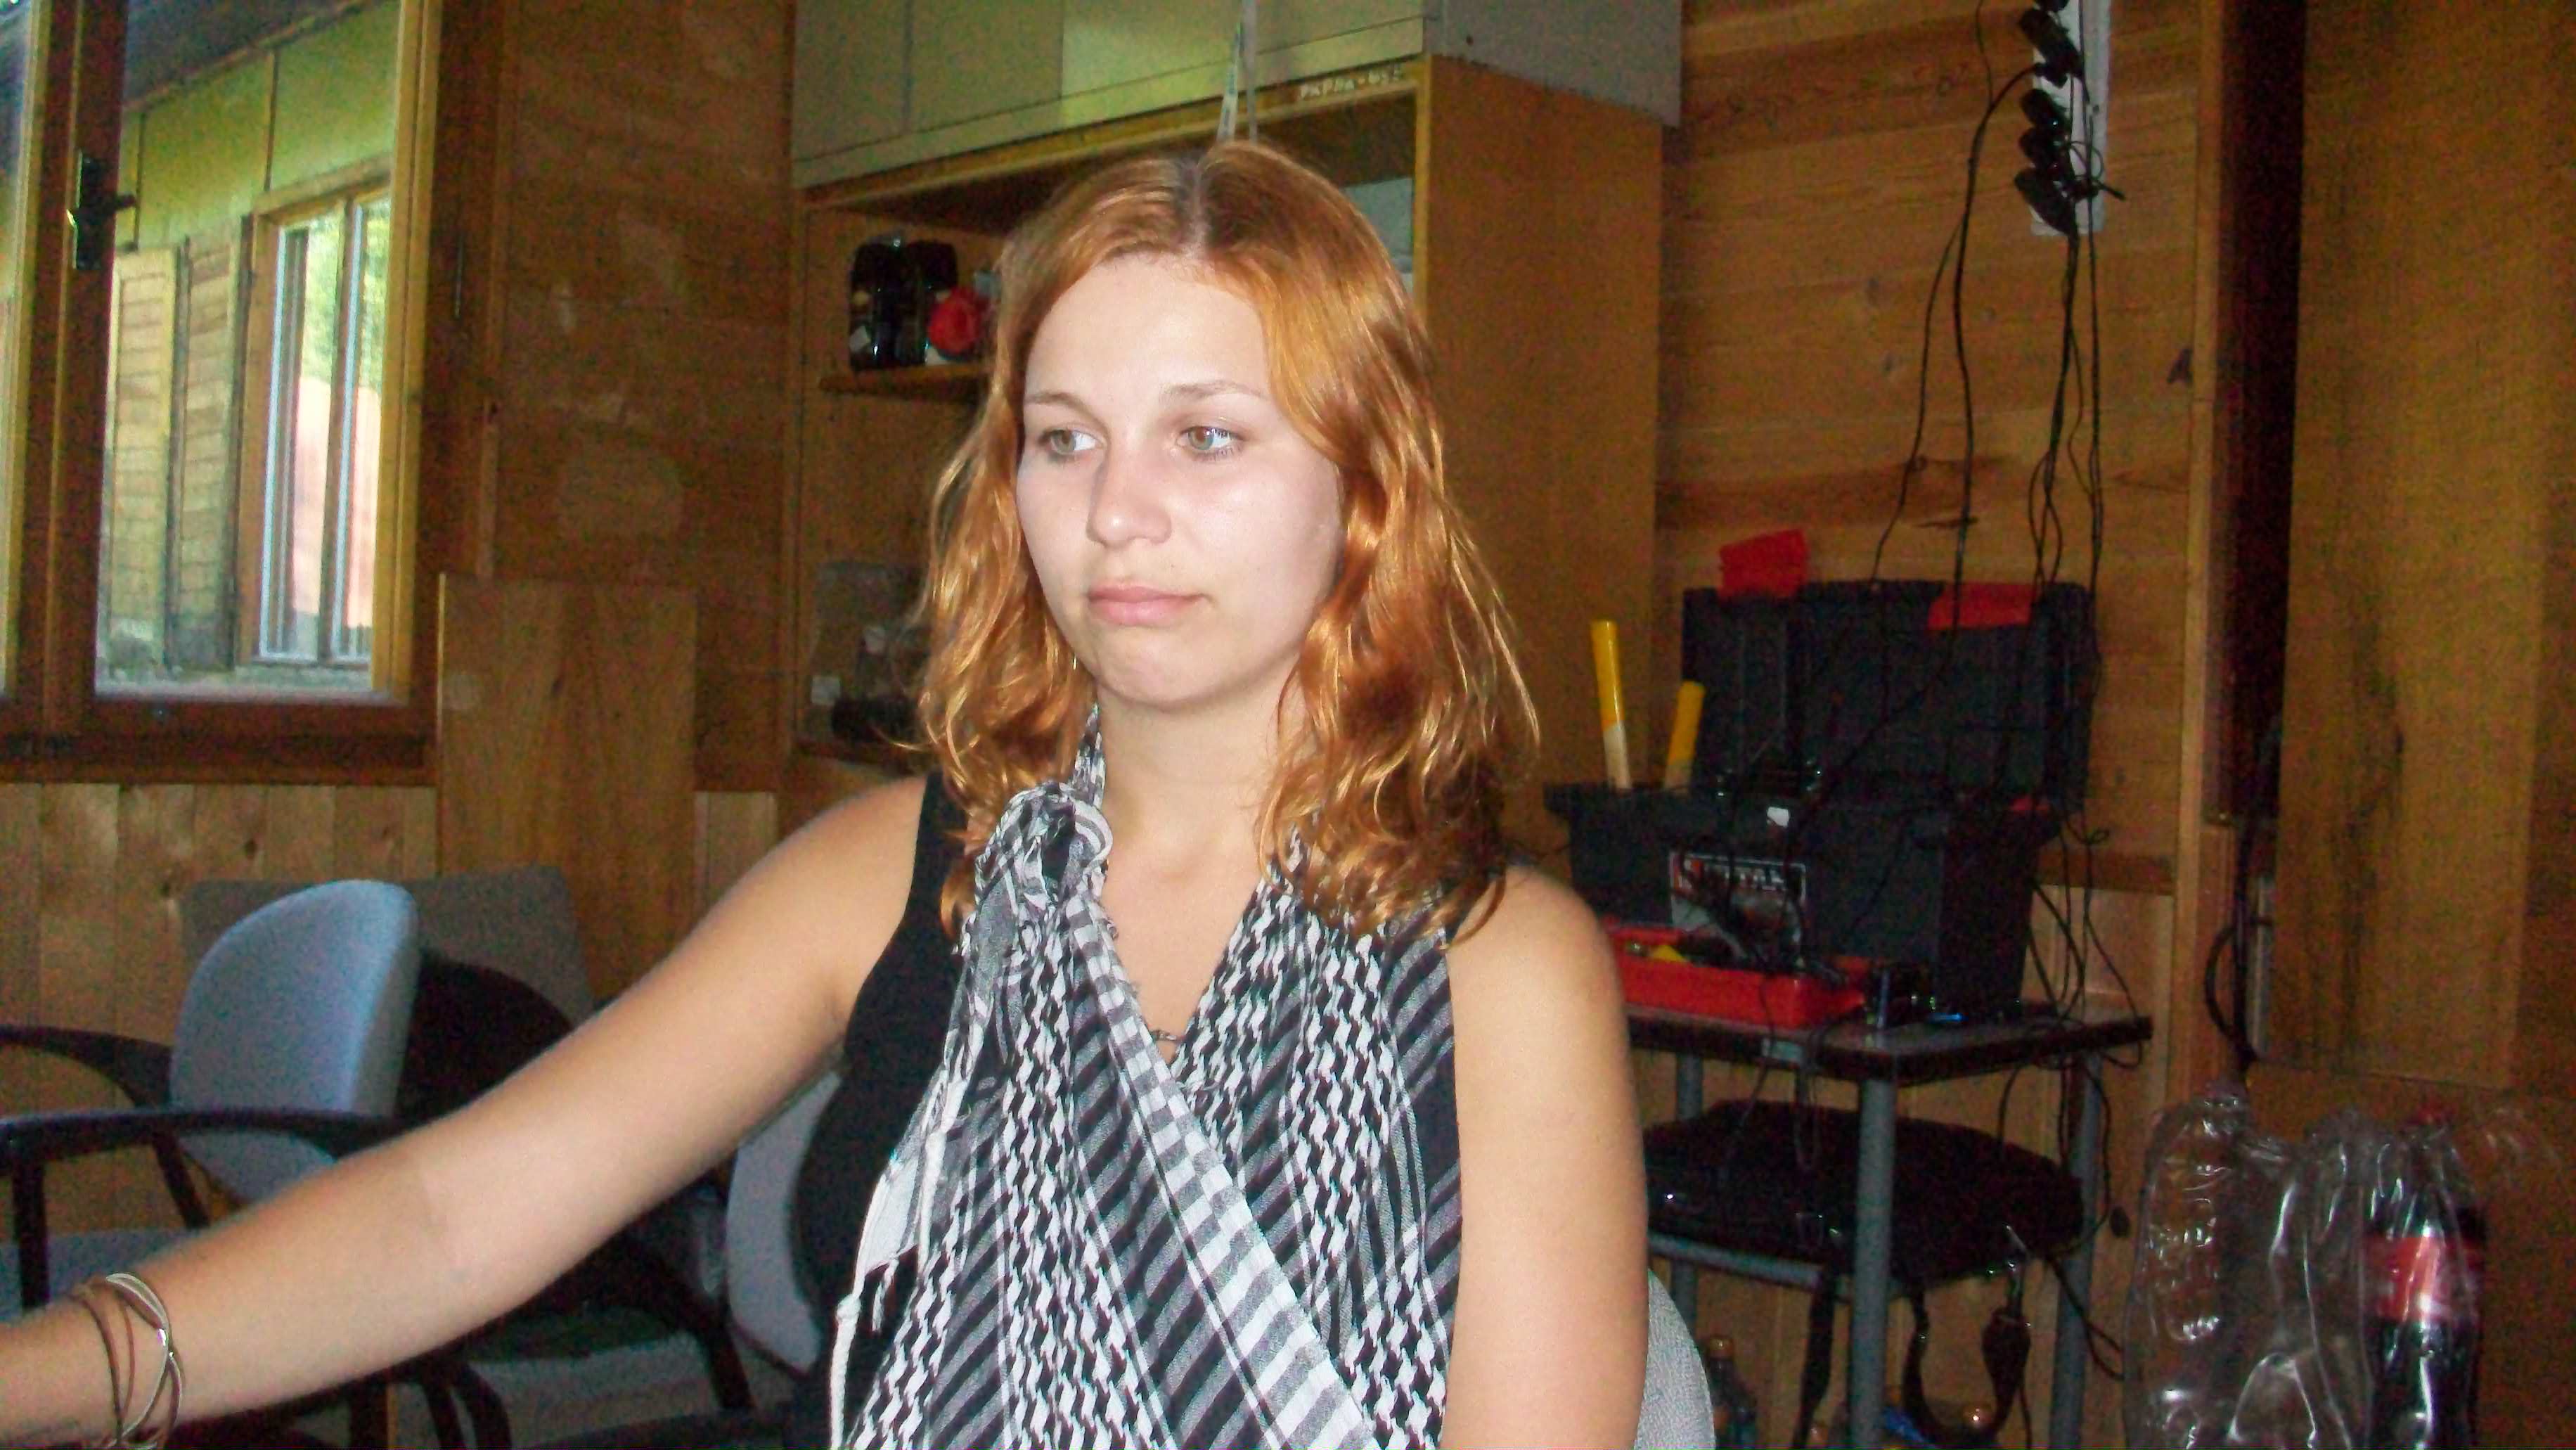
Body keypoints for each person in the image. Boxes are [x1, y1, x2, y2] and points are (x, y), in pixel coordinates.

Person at [1, 139, 1647, 1448]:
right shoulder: (888, 870)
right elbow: (455, 1208)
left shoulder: (1502, 971)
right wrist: (60, 1373)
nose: (1114, 513)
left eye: (1204, 437)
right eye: (1062, 439)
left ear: (1364, 490)